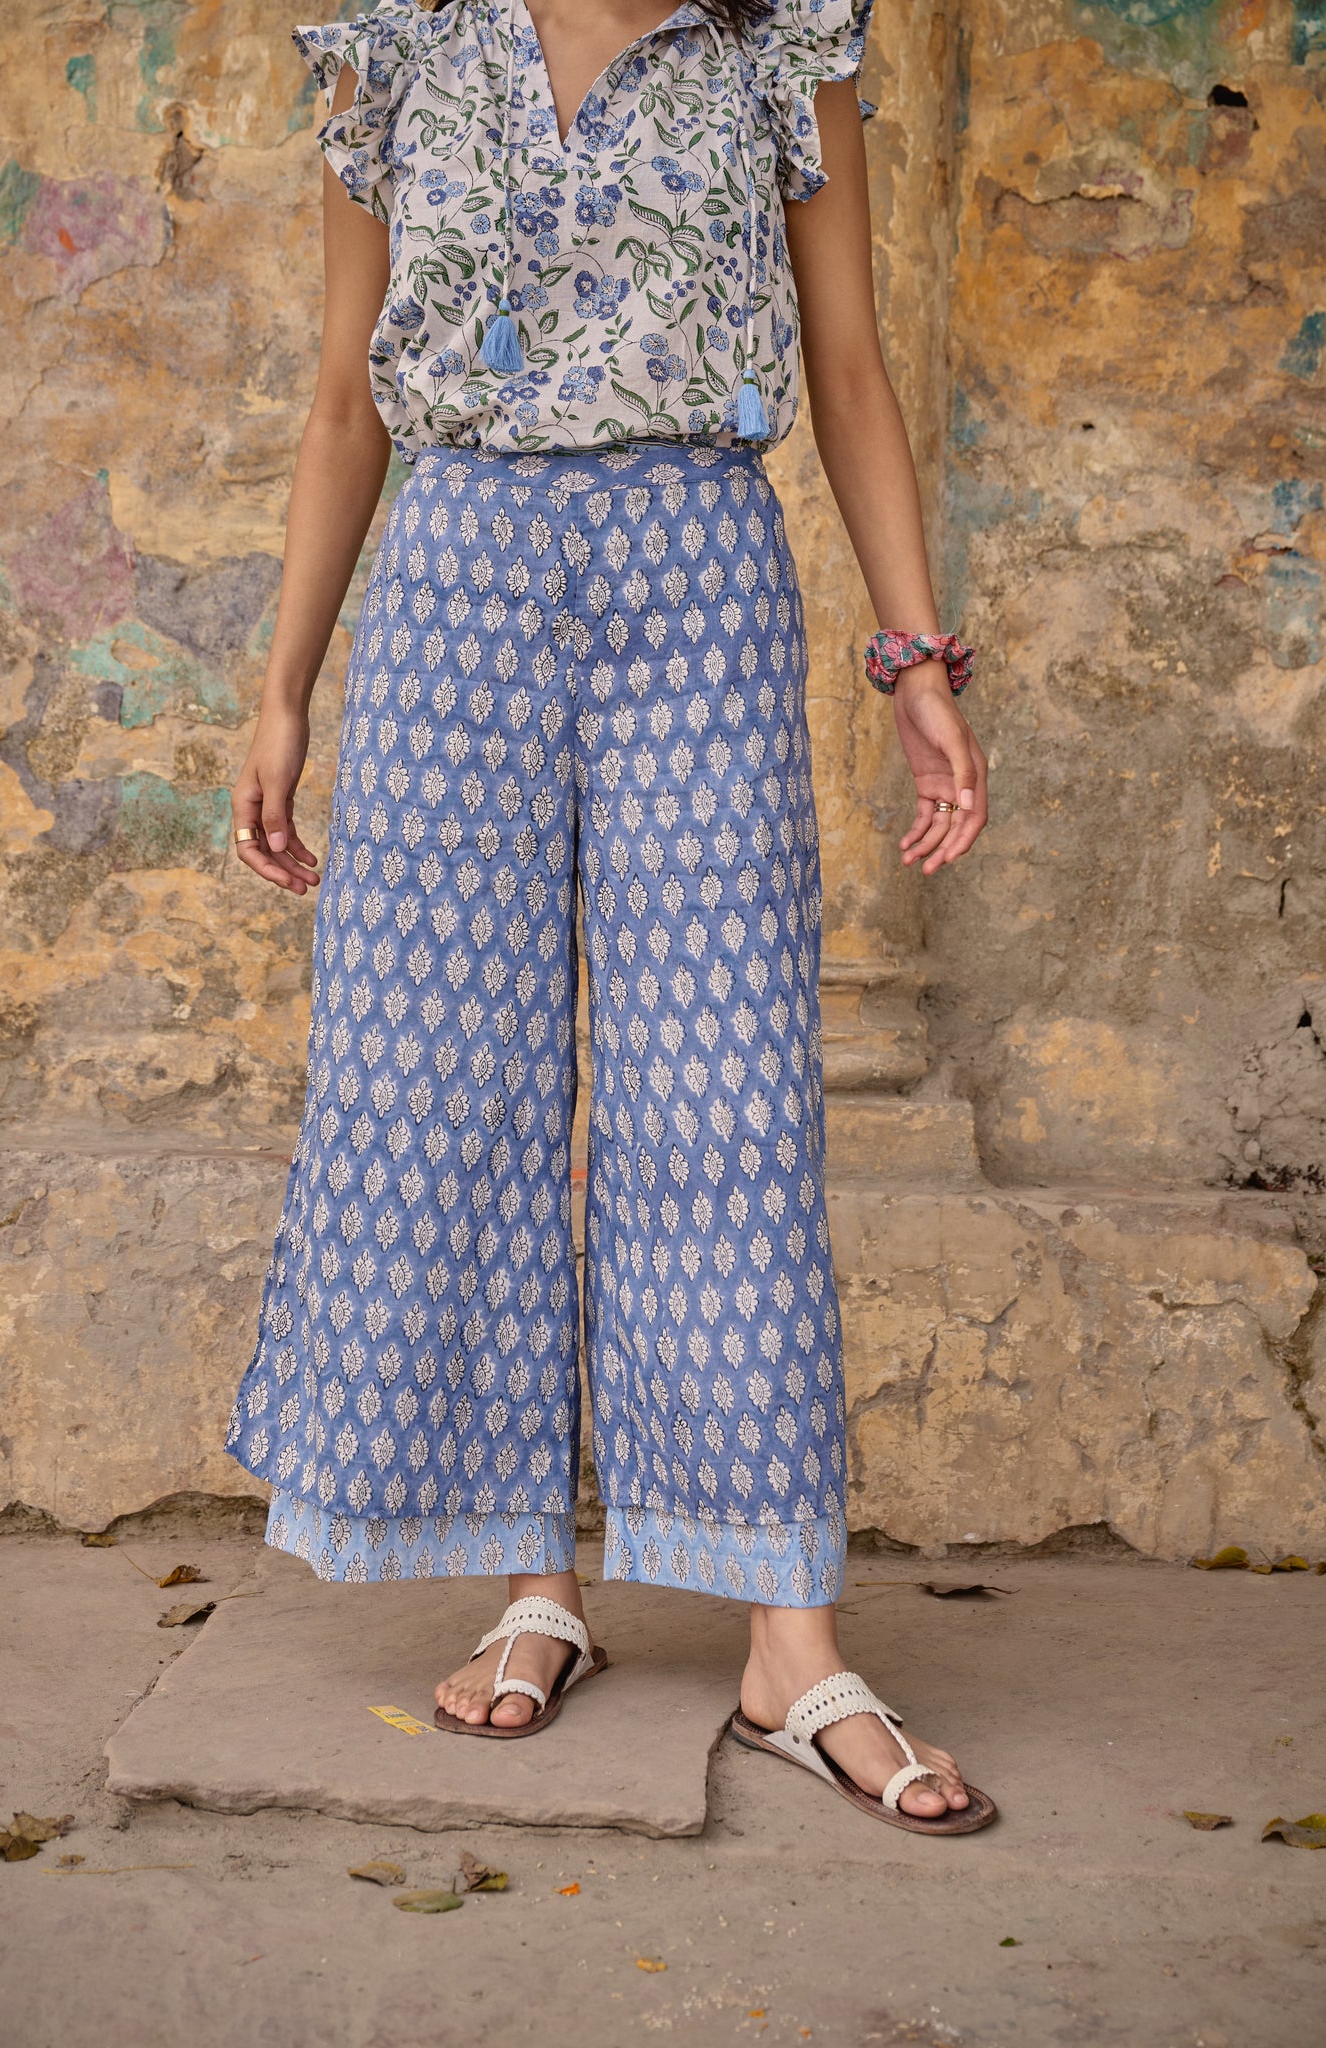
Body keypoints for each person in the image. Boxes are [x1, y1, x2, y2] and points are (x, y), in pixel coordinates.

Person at [224, 0, 994, 1835]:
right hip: (455, 586)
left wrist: (910, 657)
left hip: (697, 580)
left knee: (723, 1101)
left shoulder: (775, 47)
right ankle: (533, 1580)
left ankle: (790, 1646)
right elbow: (344, 394)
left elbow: (848, 368)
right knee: (449, 1092)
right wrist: (283, 691)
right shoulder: (399, 48)